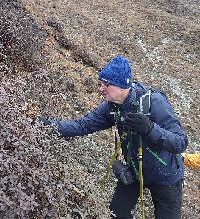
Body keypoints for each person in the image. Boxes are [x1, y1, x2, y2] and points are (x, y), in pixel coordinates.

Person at [40, 55, 188, 219]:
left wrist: (150, 129)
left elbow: (180, 142)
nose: (100, 88)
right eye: (100, 83)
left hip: (165, 176)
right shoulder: (112, 107)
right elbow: (82, 125)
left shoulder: (154, 102)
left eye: (107, 84)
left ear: (123, 86)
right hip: (135, 171)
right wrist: (46, 125)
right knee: (116, 214)